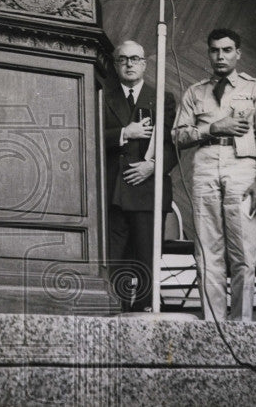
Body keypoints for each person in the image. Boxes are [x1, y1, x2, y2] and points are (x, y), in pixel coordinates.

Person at [172, 28, 256, 322]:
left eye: (227, 50)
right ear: (208, 53)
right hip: (204, 169)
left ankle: (241, 325)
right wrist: (214, 128)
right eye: (215, 50)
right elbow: (178, 136)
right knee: (207, 252)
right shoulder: (195, 92)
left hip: (242, 169)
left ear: (238, 53)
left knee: (243, 252)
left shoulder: (255, 89)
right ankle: (214, 326)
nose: (220, 56)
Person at [103, 40, 175, 312]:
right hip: (113, 192)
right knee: (116, 259)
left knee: (146, 256)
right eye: (123, 59)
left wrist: (152, 165)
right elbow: (92, 134)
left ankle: (145, 312)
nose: (129, 64)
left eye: (135, 59)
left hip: (148, 190)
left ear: (145, 63)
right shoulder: (102, 95)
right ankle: (116, 311)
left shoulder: (162, 98)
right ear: (116, 64)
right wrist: (125, 133)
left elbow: (172, 145)